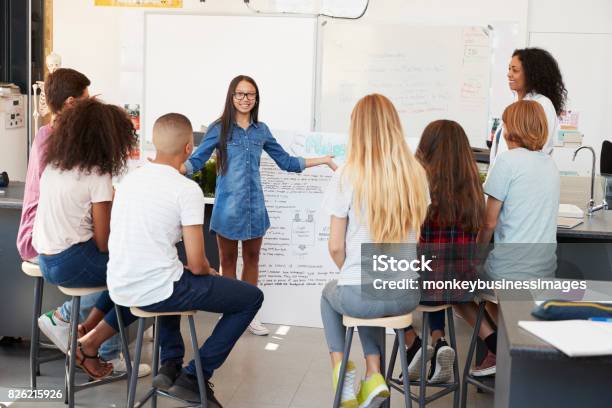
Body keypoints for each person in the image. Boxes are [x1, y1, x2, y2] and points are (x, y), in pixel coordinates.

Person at [107, 113, 264, 407]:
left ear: (154, 142)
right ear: (189, 148)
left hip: (120, 287)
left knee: (175, 272)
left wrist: (196, 271)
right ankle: (195, 376)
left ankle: (170, 364)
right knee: (251, 298)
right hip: (155, 290)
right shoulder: (185, 189)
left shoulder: (128, 180)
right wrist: (210, 272)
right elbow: (196, 262)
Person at [183, 75, 336, 335]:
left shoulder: (261, 130)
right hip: (227, 210)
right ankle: (230, 314)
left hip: (255, 210)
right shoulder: (219, 128)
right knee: (228, 260)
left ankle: (249, 315)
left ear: (256, 99)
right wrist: (172, 168)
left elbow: (286, 162)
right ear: (232, 97)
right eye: (240, 94)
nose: (245, 99)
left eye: (250, 95)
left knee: (253, 259)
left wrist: (322, 160)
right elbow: (197, 160)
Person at [16, 69, 144, 374]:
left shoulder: (57, 165)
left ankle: (82, 331)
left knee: (126, 271)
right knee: (140, 274)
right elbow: (103, 242)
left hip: (46, 255)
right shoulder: (97, 173)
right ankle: (84, 338)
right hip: (67, 259)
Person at [320, 94, 429, 408]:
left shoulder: (346, 175)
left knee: (337, 293)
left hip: (364, 294)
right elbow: (417, 240)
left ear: (358, 130)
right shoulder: (416, 175)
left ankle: (342, 375)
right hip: (407, 294)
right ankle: (373, 376)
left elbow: (335, 246)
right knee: (371, 291)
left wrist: (350, 272)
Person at [457, 100, 560, 376]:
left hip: (509, 271)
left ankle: (497, 347)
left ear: (513, 128)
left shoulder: (507, 162)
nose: (502, 129)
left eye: (504, 124)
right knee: (494, 292)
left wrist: (475, 256)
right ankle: (508, 346)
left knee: (454, 286)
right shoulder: (550, 166)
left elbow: (489, 221)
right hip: (544, 271)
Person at [400, 120, 485, 383]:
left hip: (424, 285)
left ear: (425, 148)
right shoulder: (473, 188)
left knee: (379, 281)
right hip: (461, 284)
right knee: (438, 272)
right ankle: (440, 341)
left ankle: (414, 344)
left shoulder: (417, 185)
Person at [489, 47, 568, 165]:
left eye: (515, 70)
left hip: (521, 177)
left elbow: (539, 148)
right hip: (505, 174)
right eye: (509, 69)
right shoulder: (515, 103)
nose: (509, 74)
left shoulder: (542, 105)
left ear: (531, 73)